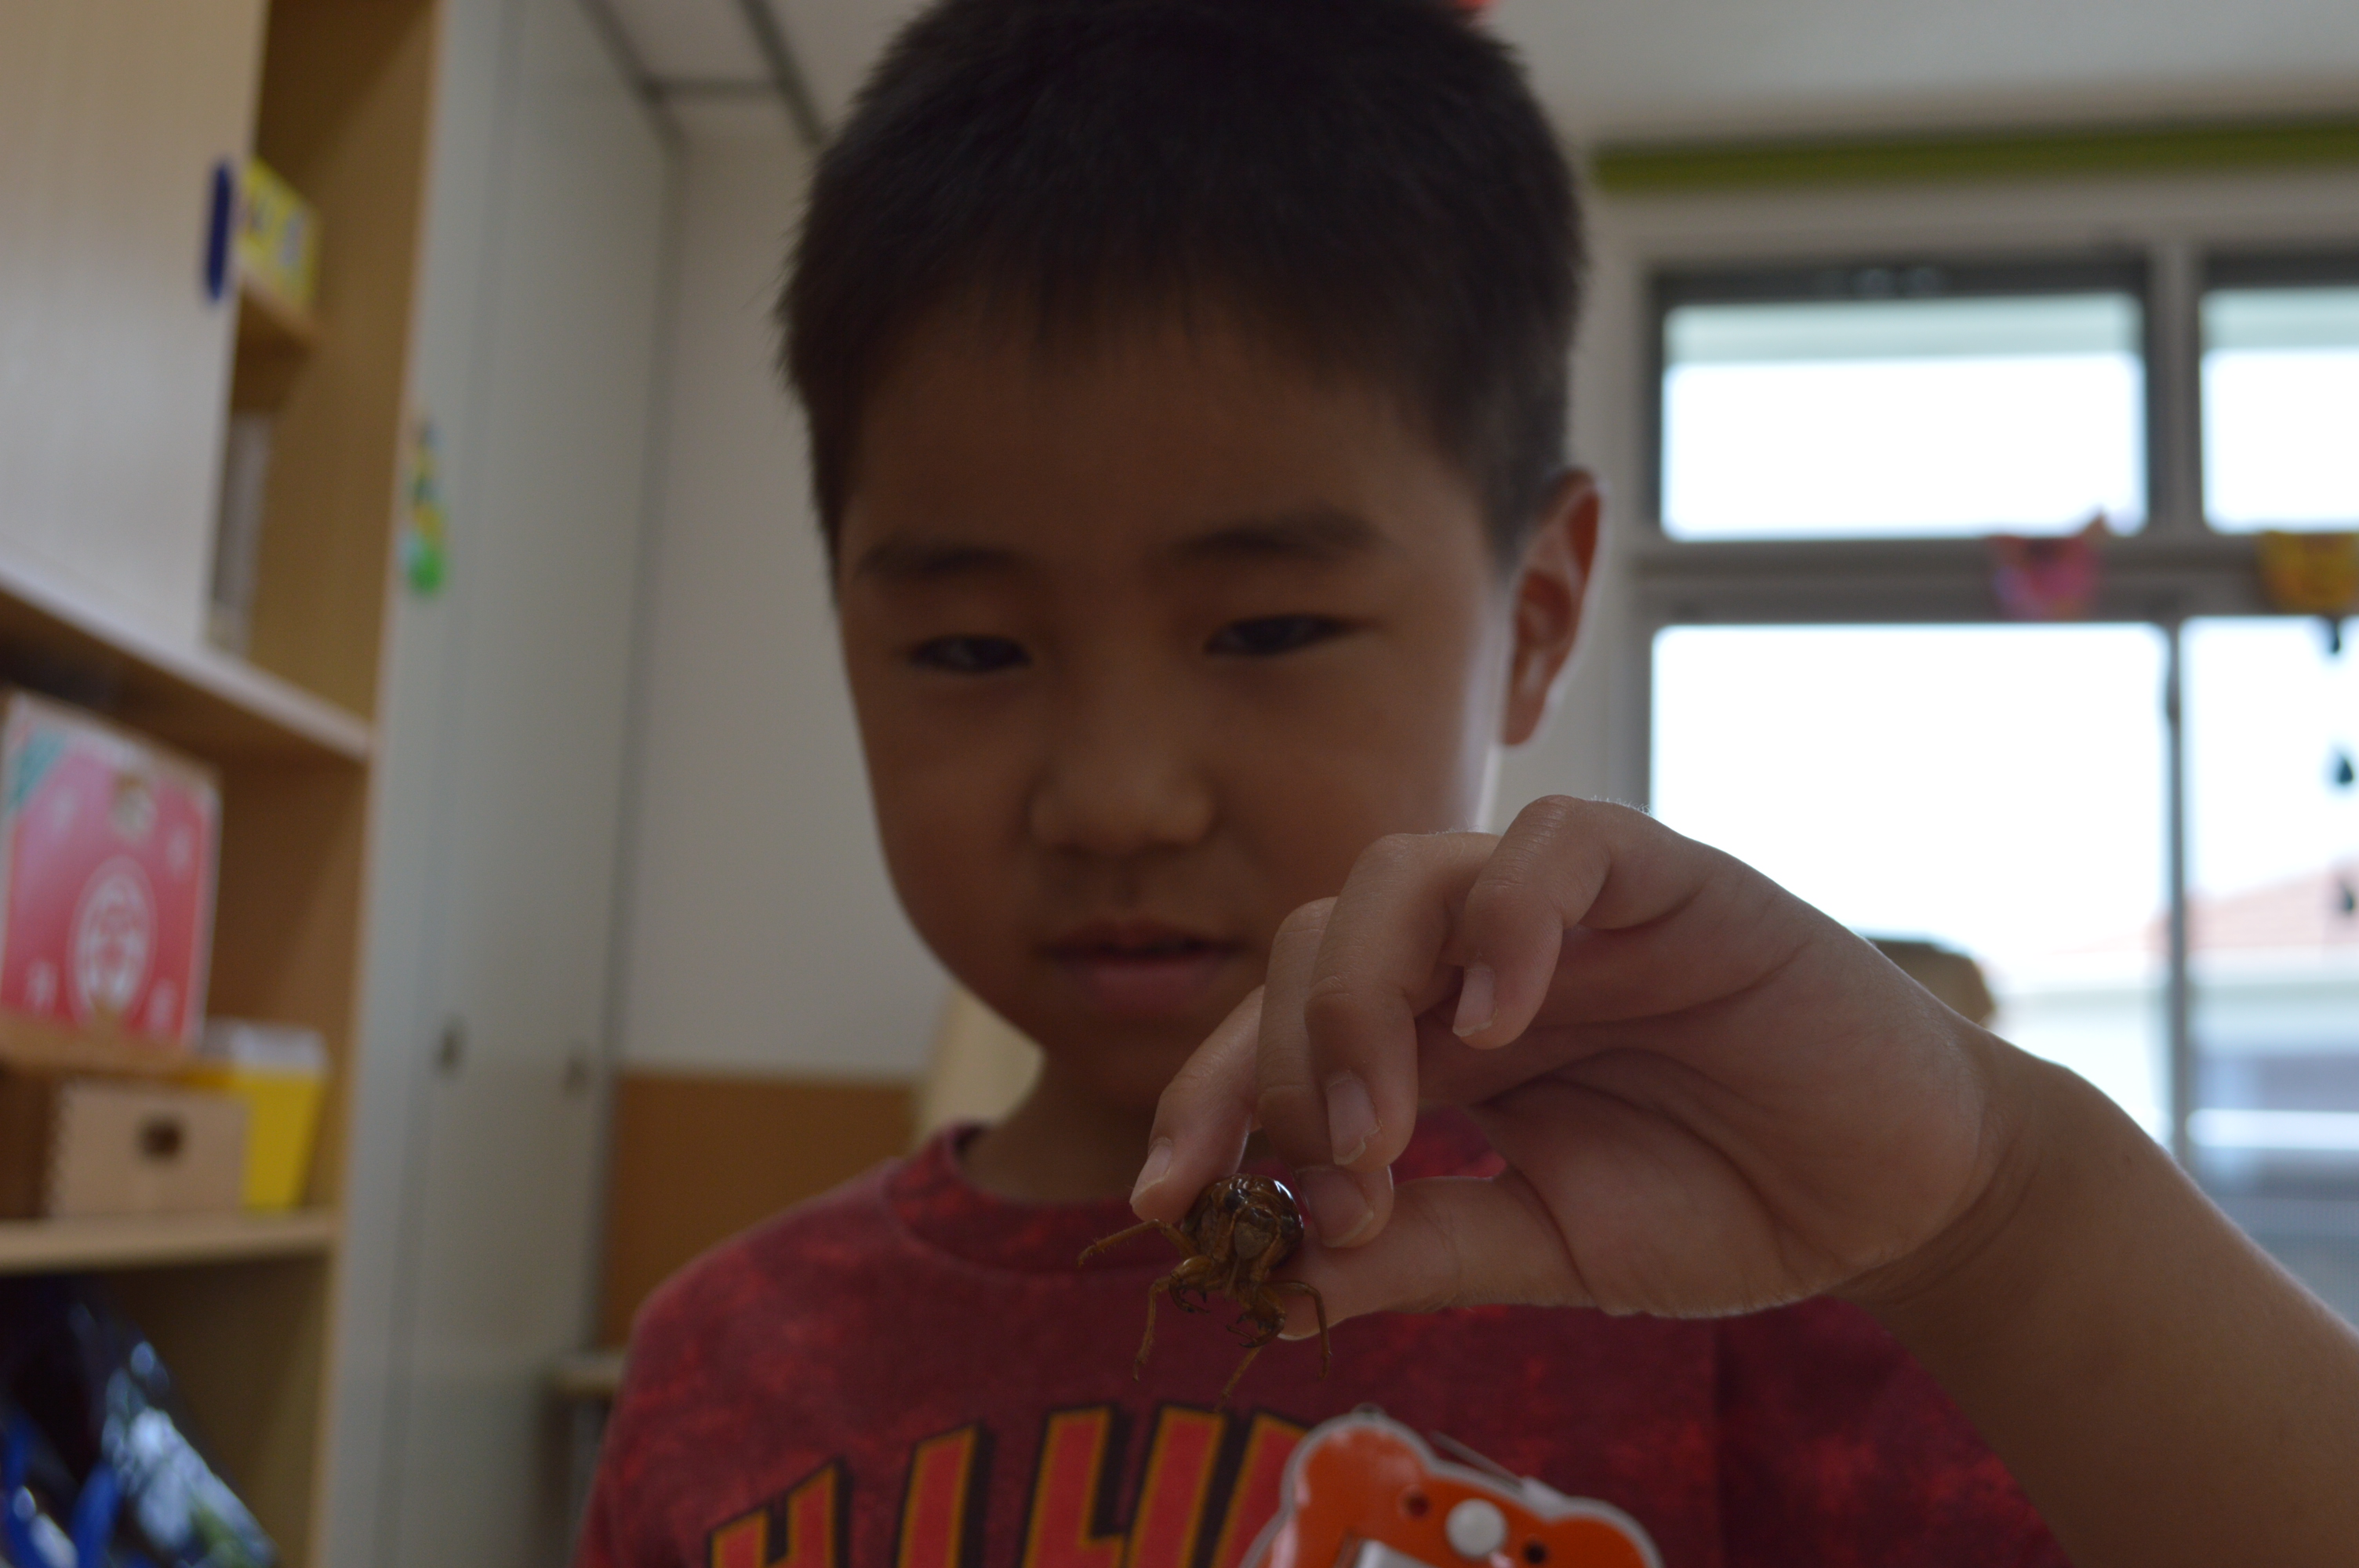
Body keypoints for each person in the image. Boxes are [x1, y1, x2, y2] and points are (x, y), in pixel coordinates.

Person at [576, 1, 2359, 1564]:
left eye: (1268, 628)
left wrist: (2002, 1208)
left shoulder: (1757, 1278)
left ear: (1540, 613)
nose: (1116, 797)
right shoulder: (721, 1364)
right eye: (972, 648)